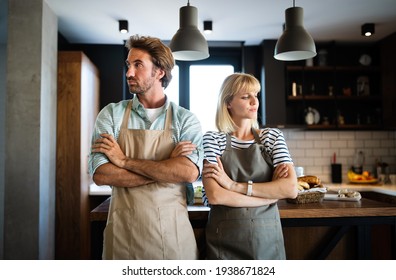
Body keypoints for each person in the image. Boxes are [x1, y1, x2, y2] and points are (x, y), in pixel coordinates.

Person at [88, 35, 203, 260]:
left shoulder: (185, 120)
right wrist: (166, 169)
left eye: (138, 65)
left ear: (160, 71)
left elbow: (187, 172)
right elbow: (101, 174)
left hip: (173, 242)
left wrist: (124, 161)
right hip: (123, 239)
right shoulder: (111, 114)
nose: (129, 72)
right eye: (128, 65)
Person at [202, 73, 298, 260]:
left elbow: (291, 189)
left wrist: (232, 185)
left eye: (256, 95)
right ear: (228, 103)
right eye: (246, 96)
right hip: (224, 241)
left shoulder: (272, 137)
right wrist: (268, 197)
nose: (255, 101)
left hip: (267, 239)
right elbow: (215, 195)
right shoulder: (212, 139)